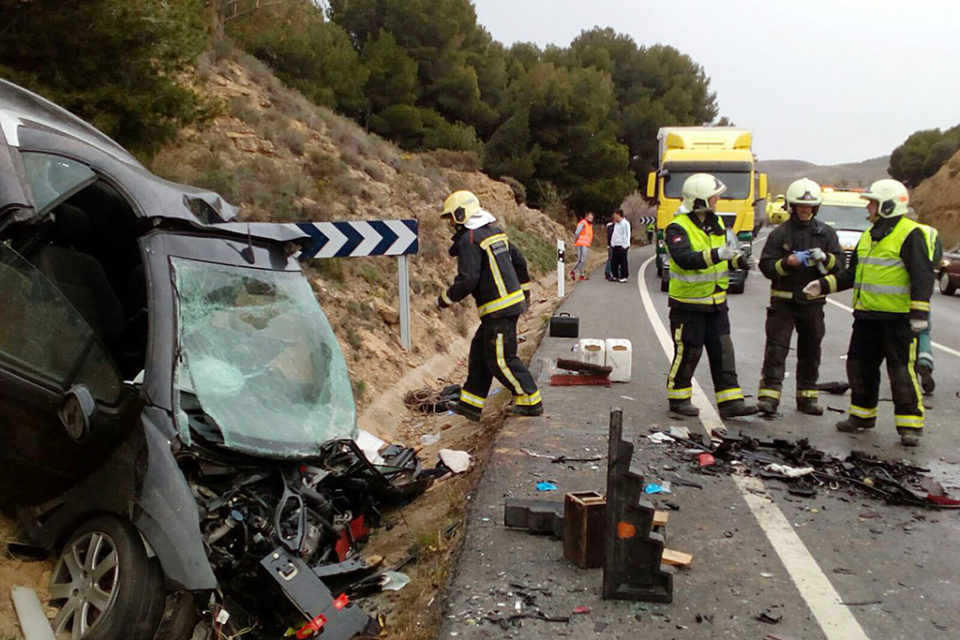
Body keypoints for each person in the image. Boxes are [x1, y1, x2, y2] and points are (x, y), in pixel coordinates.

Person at [802, 179, 934, 446]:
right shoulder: (870, 235)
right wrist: (824, 285)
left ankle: (910, 425)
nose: (869, 208)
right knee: (859, 368)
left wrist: (919, 314)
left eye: (872, 203)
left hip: (896, 320)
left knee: (901, 372)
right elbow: (853, 274)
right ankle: (862, 416)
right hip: (866, 318)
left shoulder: (910, 234)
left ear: (887, 205)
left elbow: (922, 276)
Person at [436, 190, 543, 421]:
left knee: (501, 359)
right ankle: (471, 404)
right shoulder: (495, 233)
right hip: (505, 307)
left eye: (452, 218)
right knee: (479, 354)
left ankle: (530, 399)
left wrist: (445, 298)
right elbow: (520, 261)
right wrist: (524, 292)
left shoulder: (469, 239)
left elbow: (468, 279)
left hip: (498, 310)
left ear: (462, 214)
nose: (451, 224)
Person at [664, 173, 758, 419]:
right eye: (714, 196)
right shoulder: (677, 228)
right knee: (689, 351)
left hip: (716, 303)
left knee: (723, 351)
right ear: (700, 200)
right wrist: (718, 254)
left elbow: (725, 254)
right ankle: (678, 398)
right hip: (688, 305)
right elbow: (684, 259)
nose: (718, 200)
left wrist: (740, 260)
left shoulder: (716, 224)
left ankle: (730, 402)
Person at [756, 178, 844, 416]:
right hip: (783, 304)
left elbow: (841, 265)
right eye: (800, 206)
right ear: (792, 206)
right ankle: (769, 397)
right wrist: (787, 263)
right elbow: (766, 266)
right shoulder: (780, 234)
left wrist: (825, 258)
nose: (805, 210)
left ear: (815, 208)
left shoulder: (826, 234)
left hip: (812, 305)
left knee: (811, 350)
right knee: (776, 350)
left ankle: (807, 397)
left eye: (809, 206)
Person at [915, 222, 942, 395]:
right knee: (923, 329)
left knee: (903, 331)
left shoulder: (902, 232)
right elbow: (938, 257)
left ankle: (906, 371)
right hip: (926, 282)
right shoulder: (931, 232)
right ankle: (925, 361)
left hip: (904, 284)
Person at [570, 212, 594, 280]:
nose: (590, 219)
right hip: (581, 243)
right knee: (581, 260)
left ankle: (582, 275)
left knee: (583, 260)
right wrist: (576, 240)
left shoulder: (589, 225)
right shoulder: (583, 223)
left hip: (585, 244)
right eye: (589, 218)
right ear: (586, 217)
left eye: (591, 218)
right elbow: (577, 232)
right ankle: (574, 271)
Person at [609, 209, 631, 283]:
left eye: (615, 215)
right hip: (615, 245)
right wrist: (612, 243)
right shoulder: (617, 224)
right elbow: (615, 234)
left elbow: (627, 235)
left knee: (623, 261)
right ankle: (615, 275)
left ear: (619, 215)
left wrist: (625, 245)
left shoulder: (625, 223)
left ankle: (624, 276)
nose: (614, 217)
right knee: (614, 261)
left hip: (622, 245)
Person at [604, 215, 616, 281]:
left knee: (611, 259)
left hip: (610, 245)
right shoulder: (611, 227)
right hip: (611, 245)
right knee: (611, 259)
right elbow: (610, 237)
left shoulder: (610, 226)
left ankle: (608, 272)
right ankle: (608, 273)